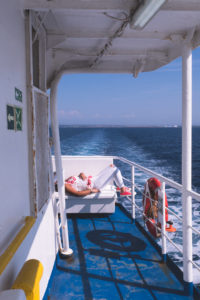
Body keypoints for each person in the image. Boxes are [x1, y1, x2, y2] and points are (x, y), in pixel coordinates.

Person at [63, 164, 131, 197]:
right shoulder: (65, 185)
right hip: (95, 184)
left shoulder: (66, 180)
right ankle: (123, 190)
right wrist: (92, 191)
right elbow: (77, 193)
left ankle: (119, 186)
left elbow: (77, 178)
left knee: (111, 166)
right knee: (114, 169)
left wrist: (81, 174)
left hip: (93, 179)